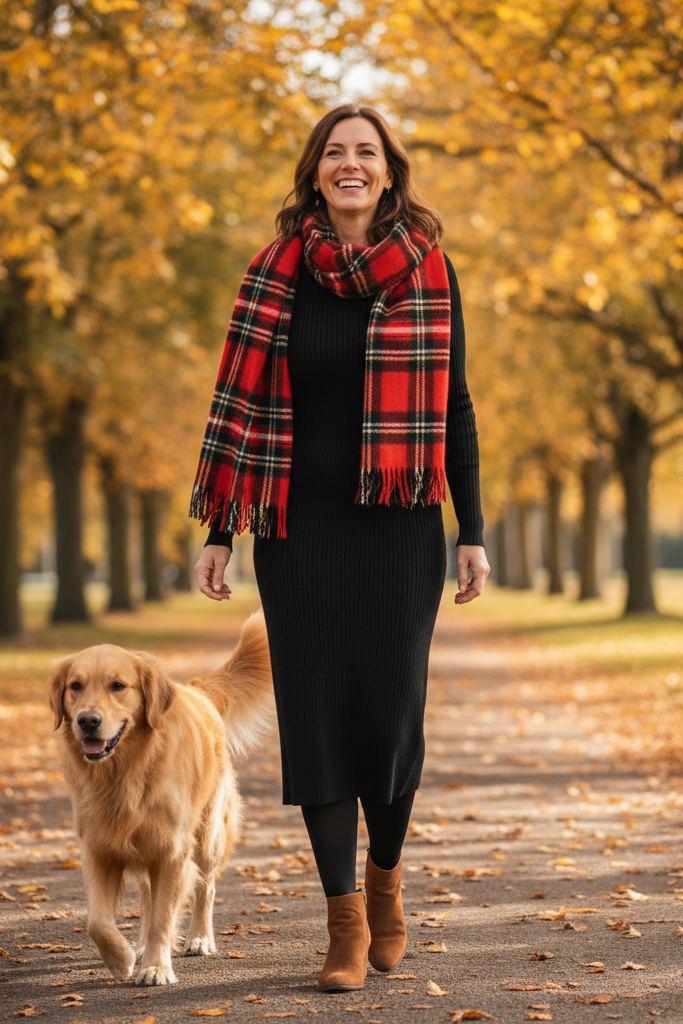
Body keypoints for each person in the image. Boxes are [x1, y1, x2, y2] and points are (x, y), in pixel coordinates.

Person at [191, 103, 489, 992]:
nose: (349, 164)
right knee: (316, 718)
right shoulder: (274, 273)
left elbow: (455, 409)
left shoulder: (428, 271)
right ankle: (343, 924)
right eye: (335, 153)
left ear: (388, 172)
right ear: (316, 172)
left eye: (366, 152)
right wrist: (220, 532)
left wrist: (470, 529)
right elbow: (236, 407)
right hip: (296, 527)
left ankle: (385, 880)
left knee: (388, 719)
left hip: (398, 527)